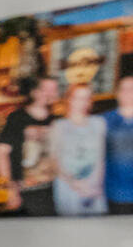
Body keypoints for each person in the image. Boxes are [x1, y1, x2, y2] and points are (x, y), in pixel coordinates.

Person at [0, 75, 64, 216]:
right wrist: (10, 190)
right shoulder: (18, 118)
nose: (50, 93)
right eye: (46, 89)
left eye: (54, 89)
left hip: (50, 190)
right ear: (34, 92)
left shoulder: (56, 121)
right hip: (24, 193)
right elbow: (0, 152)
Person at [51, 81, 109, 214]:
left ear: (90, 101)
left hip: (93, 188)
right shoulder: (58, 126)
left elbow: (101, 157)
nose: (82, 102)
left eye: (86, 98)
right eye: (77, 98)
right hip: (68, 187)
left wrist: (94, 185)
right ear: (69, 99)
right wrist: (76, 184)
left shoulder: (99, 123)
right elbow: (54, 162)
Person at [107, 72, 133, 211]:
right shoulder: (104, 121)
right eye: (124, 88)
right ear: (117, 93)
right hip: (115, 194)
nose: (129, 92)